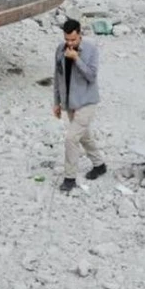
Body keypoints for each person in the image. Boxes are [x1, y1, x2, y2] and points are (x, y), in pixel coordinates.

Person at [52, 19, 106, 193]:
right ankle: (99, 165)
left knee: (71, 138)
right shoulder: (60, 50)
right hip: (70, 103)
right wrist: (57, 102)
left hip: (87, 102)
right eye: (67, 39)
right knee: (84, 136)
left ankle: (69, 178)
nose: (69, 43)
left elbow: (91, 76)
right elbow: (57, 77)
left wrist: (77, 59)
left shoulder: (91, 50)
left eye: (73, 40)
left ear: (79, 35)